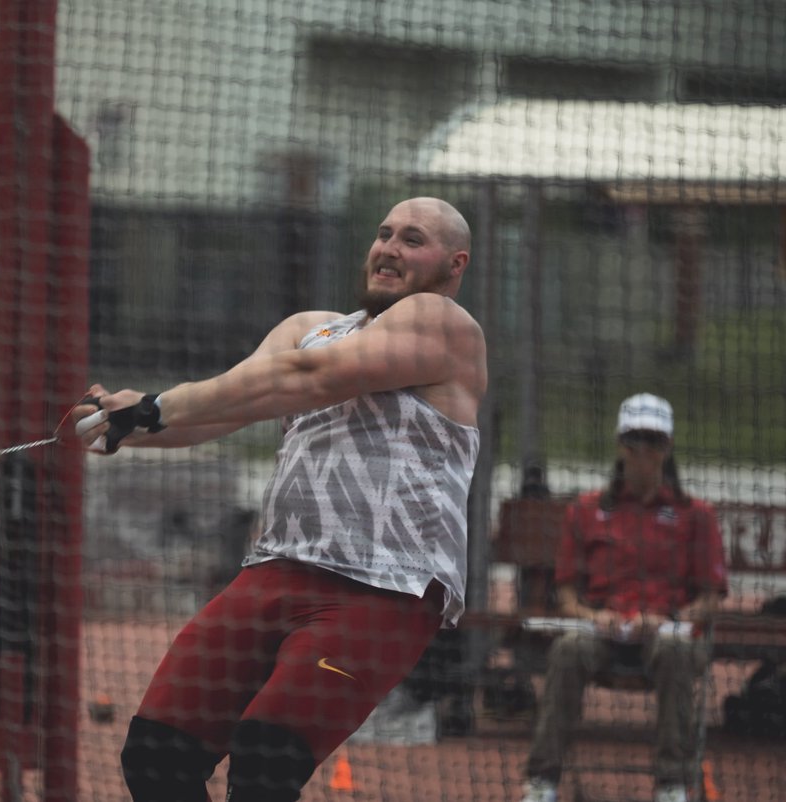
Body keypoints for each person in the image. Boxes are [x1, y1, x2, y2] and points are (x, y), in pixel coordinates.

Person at [71, 197, 486, 802]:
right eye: (383, 232)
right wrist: (125, 425)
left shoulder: (442, 322)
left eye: (412, 239)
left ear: (454, 265)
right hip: (273, 572)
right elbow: (228, 408)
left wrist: (159, 405)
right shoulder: (308, 329)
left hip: (380, 591)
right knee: (155, 759)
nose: (389, 248)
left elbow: (307, 380)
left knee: (264, 768)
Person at [519, 394, 727, 802]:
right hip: (604, 637)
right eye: (635, 441)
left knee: (673, 647)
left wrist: (671, 618)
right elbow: (564, 592)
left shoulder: (696, 515)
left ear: (667, 448)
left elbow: (710, 597)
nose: (643, 452)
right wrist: (593, 616)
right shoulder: (586, 510)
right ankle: (542, 781)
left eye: (653, 442)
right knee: (568, 648)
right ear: (620, 445)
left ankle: (671, 784)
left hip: (669, 637)